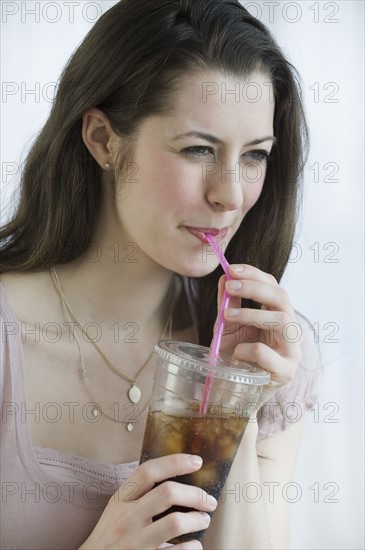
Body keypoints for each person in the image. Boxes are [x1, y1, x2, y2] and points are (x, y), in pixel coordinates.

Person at [0, 0, 320, 548]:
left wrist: (234, 394)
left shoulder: (275, 353)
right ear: (103, 140)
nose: (231, 194)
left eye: (255, 156)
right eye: (199, 149)